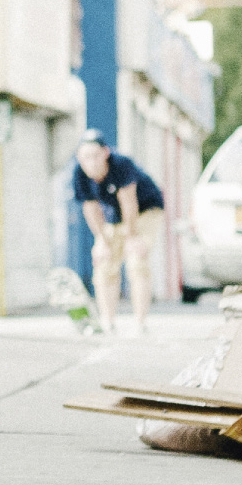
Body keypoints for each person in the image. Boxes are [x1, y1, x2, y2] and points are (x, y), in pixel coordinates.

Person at [72, 133, 166, 336]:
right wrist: (102, 241)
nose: (91, 162)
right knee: (104, 263)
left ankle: (140, 323)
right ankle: (108, 322)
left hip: (146, 209)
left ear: (106, 153)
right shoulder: (79, 174)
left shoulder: (121, 164)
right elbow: (91, 209)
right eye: (85, 157)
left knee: (136, 260)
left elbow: (129, 203)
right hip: (116, 215)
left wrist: (132, 238)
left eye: (95, 155)